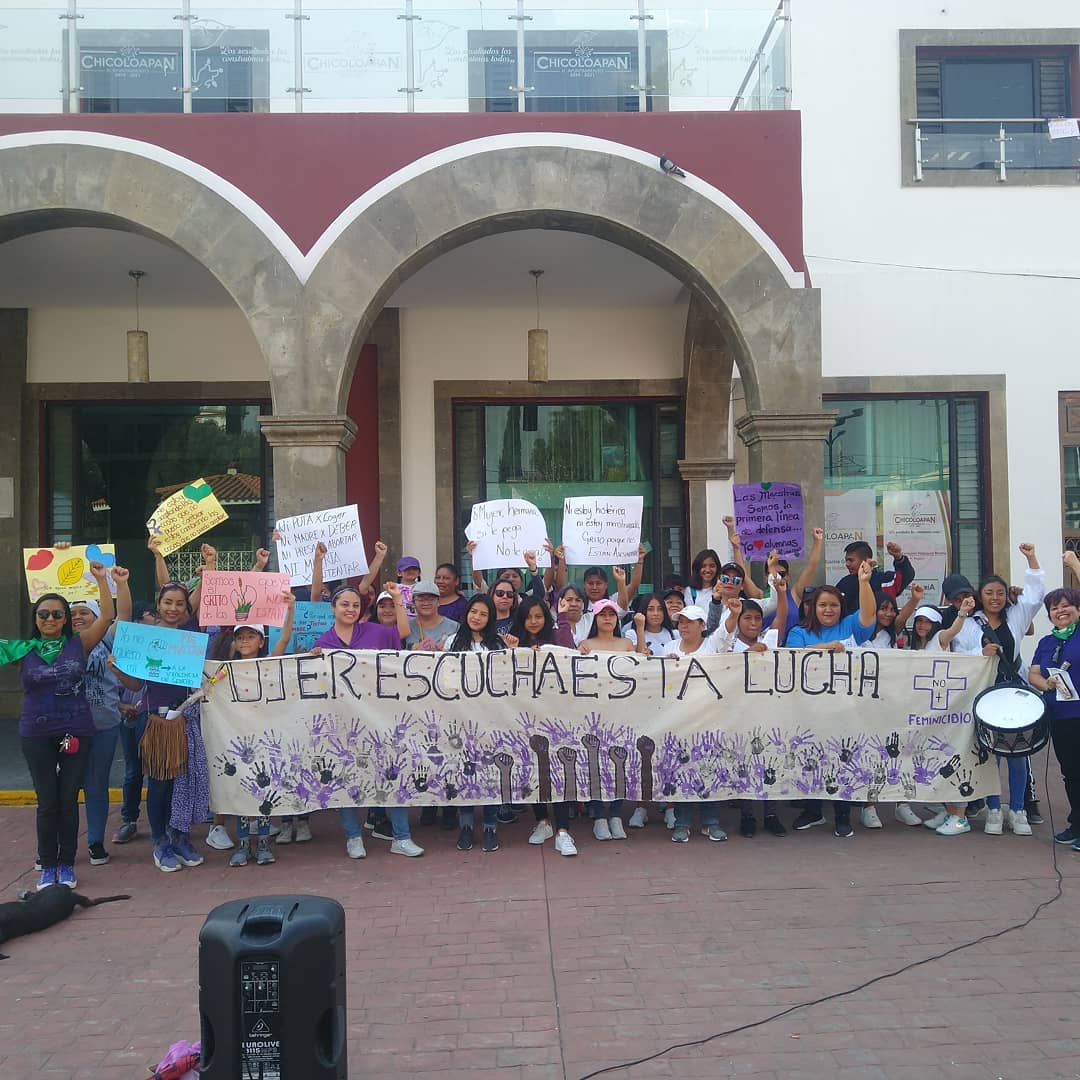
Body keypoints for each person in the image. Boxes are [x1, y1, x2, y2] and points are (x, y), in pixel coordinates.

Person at [6, 562, 116, 890]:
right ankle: (47, 865)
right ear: (35, 619)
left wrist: (100, 580)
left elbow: (107, 616)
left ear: (66, 618)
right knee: (47, 801)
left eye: (57, 614)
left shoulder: (79, 644)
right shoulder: (20, 650)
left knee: (68, 799)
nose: (50, 619)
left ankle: (67, 865)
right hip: (36, 735)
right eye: (44, 614)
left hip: (75, 732)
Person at [313, 583, 423, 858]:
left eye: (355, 605)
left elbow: (404, 632)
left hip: (380, 719)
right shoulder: (323, 643)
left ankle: (401, 836)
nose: (350, 609)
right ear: (333, 608)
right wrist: (313, 661)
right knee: (346, 776)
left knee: (392, 772)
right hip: (343, 724)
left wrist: (397, 599)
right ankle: (353, 837)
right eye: (344, 605)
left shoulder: (374, 631)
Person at [785, 560, 876, 838]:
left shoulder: (850, 626)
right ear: (812, 607)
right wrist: (826, 647)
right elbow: (792, 658)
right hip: (809, 709)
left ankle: (842, 815)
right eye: (823, 605)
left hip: (845, 709)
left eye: (834, 605)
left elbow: (869, 614)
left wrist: (863, 582)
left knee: (842, 759)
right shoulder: (799, 632)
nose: (828, 610)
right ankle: (813, 811)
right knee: (811, 758)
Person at [209, 599, 296, 868]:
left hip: (264, 739)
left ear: (260, 641)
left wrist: (290, 609)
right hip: (235, 741)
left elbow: (285, 638)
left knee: (263, 788)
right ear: (235, 641)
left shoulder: (268, 664)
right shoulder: (224, 671)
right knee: (239, 790)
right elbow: (208, 689)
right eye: (241, 636)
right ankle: (244, 842)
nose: (245, 640)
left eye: (251, 636)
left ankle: (262, 843)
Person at [969, 544, 1045, 836]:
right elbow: (960, 658)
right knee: (991, 754)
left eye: (1000, 593)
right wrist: (982, 655)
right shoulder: (971, 624)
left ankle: (1018, 810)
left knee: (1018, 753)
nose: (995, 598)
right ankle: (993, 809)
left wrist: (1030, 557)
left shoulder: (1017, 617)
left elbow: (1036, 594)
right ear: (980, 596)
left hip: (1013, 693)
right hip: (986, 695)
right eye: (989, 593)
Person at [70, 564, 137, 868]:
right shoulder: (57, 646)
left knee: (96, 785)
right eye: (72, 614)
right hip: (66, 729)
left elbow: (122, 615)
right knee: (64, 790)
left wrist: (116, 583)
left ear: (98, 617)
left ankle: (96, 842)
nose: (78, 617)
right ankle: (61, 845)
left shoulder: (108, 640)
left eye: (85, 612)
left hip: (104, 726)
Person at [662, 604, 735, 844]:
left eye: (689, 621)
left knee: (709, 770)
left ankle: (710, 822)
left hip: (709, 720)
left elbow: (726, 632)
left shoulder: (713, 645)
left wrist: (734, 614)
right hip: (679, 722)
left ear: (702, 625)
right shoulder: (670, 647)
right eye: (680, 621)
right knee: (682, 771)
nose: (683, 626)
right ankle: (682, 822)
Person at [722, 597, 789, 839]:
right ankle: (747, 815)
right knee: (744, 766)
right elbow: (724, 670)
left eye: (757, 618)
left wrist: (780, 592)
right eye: (747, 618)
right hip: (740, 714)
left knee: (769, 764)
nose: (753, 623)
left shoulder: (768, 640)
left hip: (768, 712)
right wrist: (747, 655)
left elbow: (781, 616)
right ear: (738, 621)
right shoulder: (730, 645)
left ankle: (771, 815)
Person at [859, 586, 924, 829]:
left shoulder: (891, 634)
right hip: (866, 705)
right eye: (882, 608)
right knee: (870, 754)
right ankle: (869, 806)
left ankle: (901, 803)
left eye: (890, 609)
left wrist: (915, 599)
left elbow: (903, 616)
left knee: (898, 754)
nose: (887, 614)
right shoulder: (859, 634)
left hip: (895, 702)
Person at [447, 594, 507, 852]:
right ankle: (467, 825)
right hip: (460, 718)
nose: (477, 617)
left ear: (490, 618)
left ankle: (491, 826)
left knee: (490, 772)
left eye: (483, 614)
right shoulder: (452, 642)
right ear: (466, 613)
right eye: (474, 612)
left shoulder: (498, 644)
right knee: (465, 771)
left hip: (491, 719)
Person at [1027, 566, 1080, 852]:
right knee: (1071, 772)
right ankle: (1077, 823)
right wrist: (1045, 683)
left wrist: (1074, 564)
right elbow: (1034, 673)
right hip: (1061, 717)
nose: (1060, 611)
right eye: (1054, 608)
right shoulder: (1047, 642)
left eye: (1066, 606)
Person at [834, 540, 914, 616]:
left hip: (881, 630)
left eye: (851, 560)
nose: (847, 564)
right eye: (846, 560)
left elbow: (907, 575)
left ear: (866, 560)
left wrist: (899, 558)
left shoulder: (885, 580)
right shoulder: (844, 583)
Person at [405, 581, 460, 650]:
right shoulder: (406, 628)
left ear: (439, 602)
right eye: (421, 599)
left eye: (431, 599)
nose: (426, 603)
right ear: (413, 603)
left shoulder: (454, 627)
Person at [580, 599, 647, 655]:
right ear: (595, 619)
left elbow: (640, 662)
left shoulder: (627, 644)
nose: (607, 618)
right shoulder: (585, 645)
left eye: (612, 614)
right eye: (602, 614)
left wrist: (640, 627)